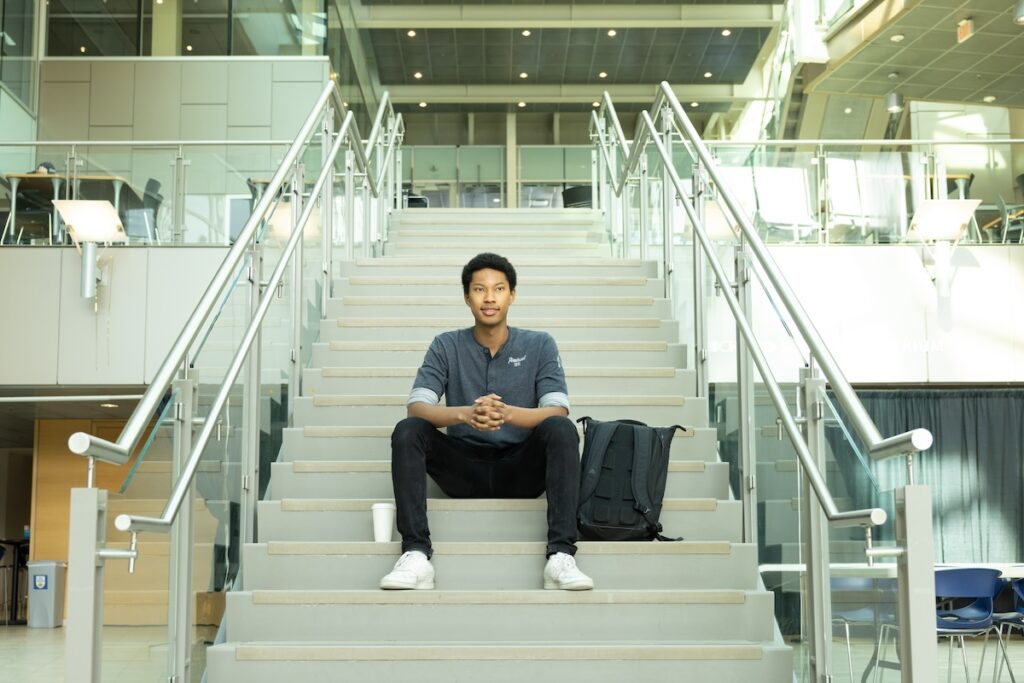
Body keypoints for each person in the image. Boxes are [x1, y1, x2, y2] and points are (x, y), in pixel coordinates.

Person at [381, 252, 593, 591]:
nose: (490, 298)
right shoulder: (446, 344)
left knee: (562, 429)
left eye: (499, 289)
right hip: (463, 470)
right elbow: (417, 407)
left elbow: (557, 410)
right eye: (480, 289)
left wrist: (508, 414)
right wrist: (466, 413)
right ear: (467, 297)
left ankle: (561, 556)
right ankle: (417, 553)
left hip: (521, 469)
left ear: (512, 295)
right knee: (408, 431)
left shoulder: (540, 344)